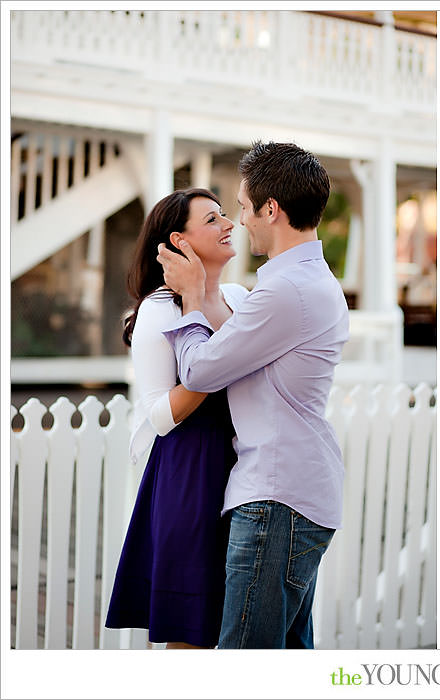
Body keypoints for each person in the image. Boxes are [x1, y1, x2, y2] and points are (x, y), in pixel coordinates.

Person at [157, 141, 349, 649]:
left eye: (243, 207)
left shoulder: (287, 291)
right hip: (295, 490)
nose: (240, 221)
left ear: (271, 209)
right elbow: (239, 339)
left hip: (276, 495)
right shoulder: (303, 282)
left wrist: (194, 297)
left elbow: (199, 369)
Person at [105, 188, 247, 649]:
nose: (228, 224)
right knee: (190, 630)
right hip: (190, 471)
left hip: (246, 468)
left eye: (226, 215)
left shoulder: (241, 299)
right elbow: (160, 416)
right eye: (211, 220)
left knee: (239, 622)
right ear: (179, 242)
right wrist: (197, 321)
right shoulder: (158, 310)